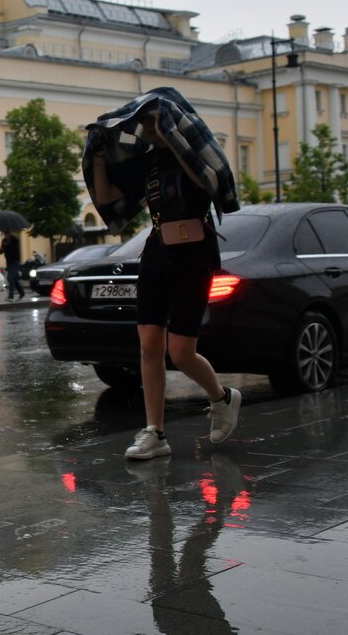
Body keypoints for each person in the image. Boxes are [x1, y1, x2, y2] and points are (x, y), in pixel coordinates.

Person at [84, 88, 241, 461]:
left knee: (182, 351)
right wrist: (99, 154)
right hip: (157, 253)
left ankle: (222, 398)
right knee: (149, 345)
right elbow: (106, 197)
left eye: (152, 121)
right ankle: (155, 432)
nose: (146, 129)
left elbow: (209, 183)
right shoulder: (148, 162)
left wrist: (171, 136)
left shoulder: (198, 151)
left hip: (195, 254)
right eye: (142, 123)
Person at [0, 229, 21, 300]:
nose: (6, 235)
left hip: (15, 261)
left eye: (7, 233)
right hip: (9, 263)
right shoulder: (4, 241)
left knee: (10, 278)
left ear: (9, 233)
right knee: (14, 279)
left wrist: (7, 245)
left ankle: (11, 296)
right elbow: (0, 252)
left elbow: (15, 251)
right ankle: (22, 292)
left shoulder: (15, 240)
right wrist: (3, 246)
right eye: (5, 234)